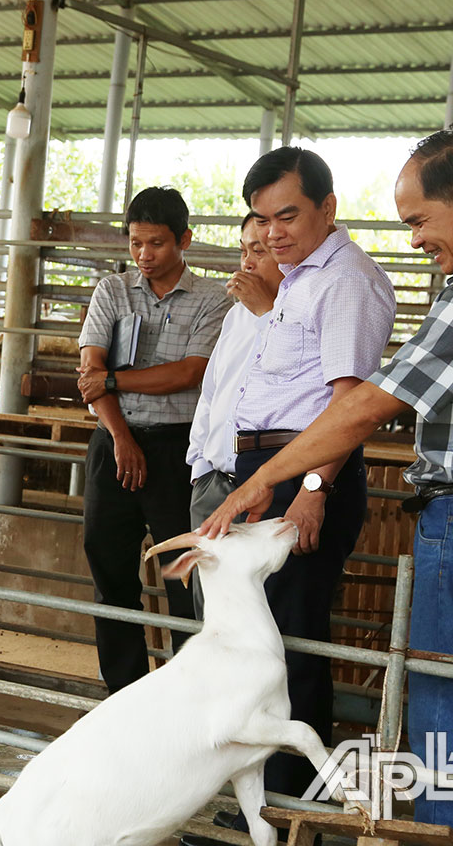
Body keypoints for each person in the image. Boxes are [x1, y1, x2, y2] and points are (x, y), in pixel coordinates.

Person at [201, 126, 453, 836]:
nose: (415, 239)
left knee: (451, 734)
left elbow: (369, 402)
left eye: (419, 220)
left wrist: (268, 482)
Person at [186, 147, 397, 846]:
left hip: (307, 471)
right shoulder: (303, 280)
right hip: (271, 467)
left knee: (290, 644)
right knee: (260, 642)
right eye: (262, 218)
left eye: (289, 215)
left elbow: (346, 403)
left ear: (326, 209)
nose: (274, 232)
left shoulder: (346, 282)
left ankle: (297, 809)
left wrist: (310, 489)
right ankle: (261, 804)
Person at [76, 186, 229, 695]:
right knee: (110, 571)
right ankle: (124, 691)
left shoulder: (212, 298)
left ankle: (188, 694)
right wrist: (120, 437)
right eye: (136, 243)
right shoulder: (112, 290)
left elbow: (191, 372)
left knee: (183, 574)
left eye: (157, 243)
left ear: (184, 239)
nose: (144, 255)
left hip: (178, 448)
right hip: (113, 443)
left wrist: (116, 382)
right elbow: (89, 370)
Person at [183, 212, 283, 620]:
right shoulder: (237, 313)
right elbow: (211, 393)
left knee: (254, 614)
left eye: (258, 251)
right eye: (243, 251)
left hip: (266, 486)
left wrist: (265, 311)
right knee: (209, 611)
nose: (247, 263)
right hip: (213, 484)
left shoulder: (294, 312)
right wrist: (200, 466)